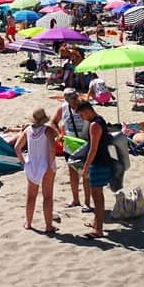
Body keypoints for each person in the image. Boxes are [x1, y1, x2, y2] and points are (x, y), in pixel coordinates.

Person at [14, 108, 57, 233]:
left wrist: (24, 163)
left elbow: (17, 148)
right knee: (47, 196)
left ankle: (28, 222)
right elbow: (52, 149)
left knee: (31, 196)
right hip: (45, 164)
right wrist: (50, 165)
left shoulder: (27, 130)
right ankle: (48, 225)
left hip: (32, 165)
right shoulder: (47, 130)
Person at [51, 87, 90, 210]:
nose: (73, 103)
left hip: (84, 143)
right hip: (70, 144)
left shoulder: (85, 106)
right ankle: (75, 199)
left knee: (85, 173)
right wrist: (59, 134)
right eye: (70, 101)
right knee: (72, 172)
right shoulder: (63, 108)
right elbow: (53, 122)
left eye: (74, 99)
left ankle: (87, 202)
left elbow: (94, 119)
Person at [77, 100, 111, 238]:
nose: (82, 118)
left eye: (82, 115)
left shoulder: (94, 125)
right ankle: (96, 222)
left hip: (98, 162)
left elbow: (93, 149)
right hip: (103, 160)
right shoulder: (100, 120)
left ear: (87, 111)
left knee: (97, 197)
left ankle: (99, 229)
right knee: (97, 195)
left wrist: (85, 168)